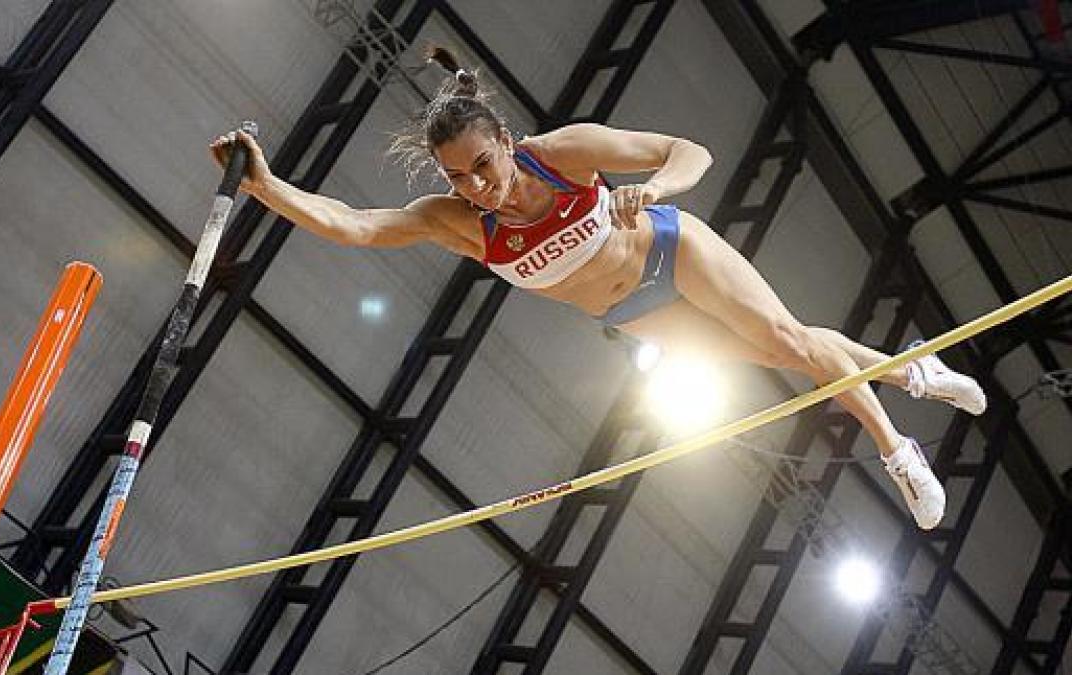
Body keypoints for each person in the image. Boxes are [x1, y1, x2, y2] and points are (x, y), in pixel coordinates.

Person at [210, 47, 986, 529]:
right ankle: (915, 369)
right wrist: (266, 185)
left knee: (788, 343)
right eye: (459, 177)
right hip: (634, 312)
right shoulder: (456, 221)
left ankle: (896, 448)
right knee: (793, 356)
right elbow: (351, 224)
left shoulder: (561, 153)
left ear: (506, 143)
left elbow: (689, 152)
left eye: (483, 165)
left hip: (673, 252)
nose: (477, 187)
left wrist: (649, 192)